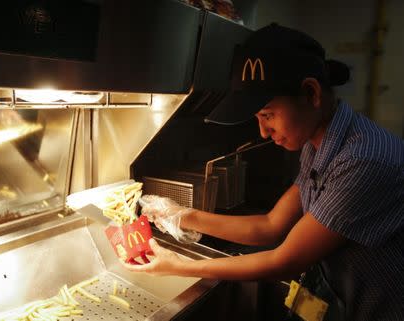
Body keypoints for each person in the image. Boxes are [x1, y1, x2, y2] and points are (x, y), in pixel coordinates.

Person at [122, 23, 404, 321]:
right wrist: (182, 215)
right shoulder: (318, 141)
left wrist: (178, 265)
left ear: (311, 93)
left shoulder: (363, 161)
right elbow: (271, 224)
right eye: (258, 117)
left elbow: (285, 261)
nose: (263, 131)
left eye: (268, 114)